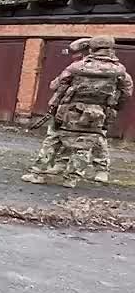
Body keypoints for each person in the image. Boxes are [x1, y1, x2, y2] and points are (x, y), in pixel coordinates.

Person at [24, 36, 132, 187]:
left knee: (53, 139)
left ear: (91, 48)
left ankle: (38, 174)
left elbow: (55, 85)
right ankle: (71, 179)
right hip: (97, 114)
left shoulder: (77, 67)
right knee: (84, 145)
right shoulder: (120, 72)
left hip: (68, 112)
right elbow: (126, 93)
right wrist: (112, 107)